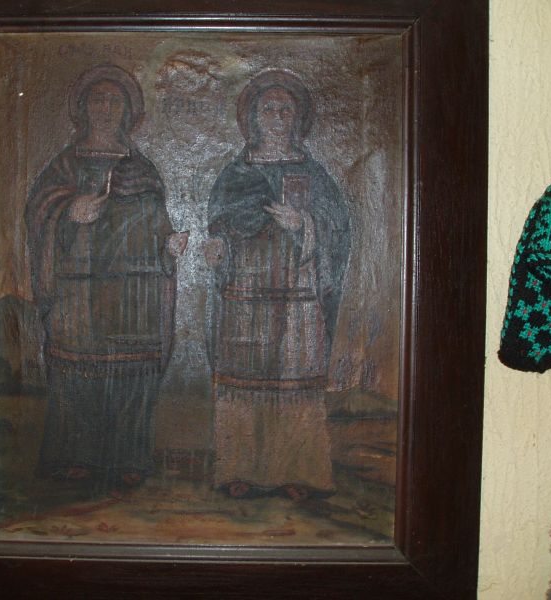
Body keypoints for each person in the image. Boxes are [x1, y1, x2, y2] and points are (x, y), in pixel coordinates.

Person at [25, 64, 188, 489]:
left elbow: (158, 224)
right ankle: (75, 455)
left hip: (135, 291)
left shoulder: (143, 168)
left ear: (128, 111)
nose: (105, 108)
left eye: (115, 101)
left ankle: (128, 456)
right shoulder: (66, 165)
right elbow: (39, 213)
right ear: (83, 108)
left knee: (132, 374)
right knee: (77, 374)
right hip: (78, 289)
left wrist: (169, 246)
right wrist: (68, 210)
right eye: (97, 100)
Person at [205, 70, 351, 501]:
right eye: (268, 109)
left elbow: (338, 230)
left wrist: (304, 223)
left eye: (285, 109)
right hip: (246, 293)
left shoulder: (313, 174)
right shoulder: (234, 175)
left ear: (298, 118)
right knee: (244, 376)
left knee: (294, 377)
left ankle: (298, 471)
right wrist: (217, 247)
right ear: (252, 117)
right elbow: (219, 225)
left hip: (297, 294)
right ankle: (241, 468)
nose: (277, 117)